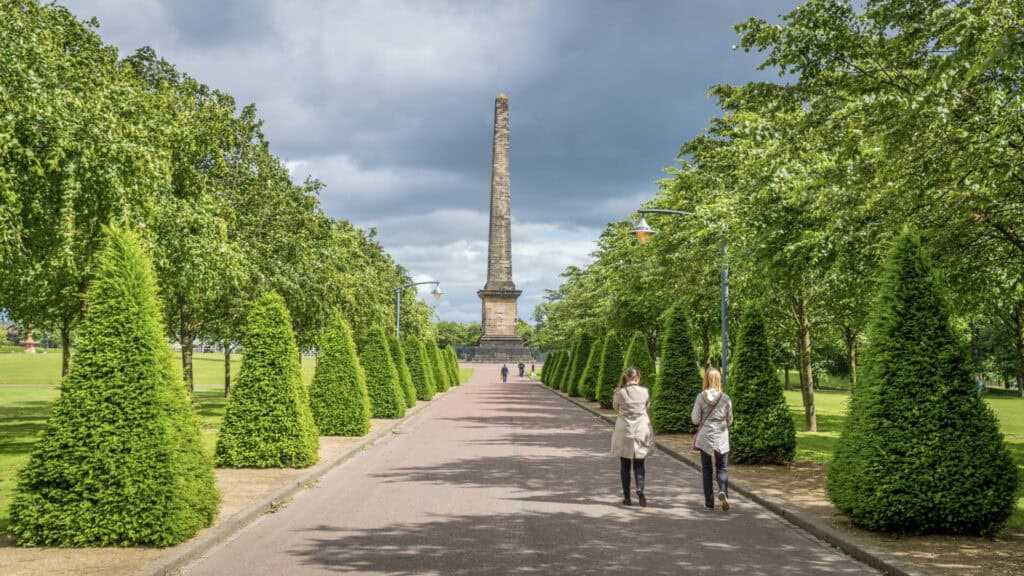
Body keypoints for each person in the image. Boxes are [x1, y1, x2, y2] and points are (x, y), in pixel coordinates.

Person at [691, 367, 733, 511]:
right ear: (719, 380)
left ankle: (709, 503)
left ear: (706, 379)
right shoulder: (725, 398)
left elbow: (695, 419)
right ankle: (723, 491)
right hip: (721, 435)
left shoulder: (700, 397)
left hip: (705, 437)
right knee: (722, 468)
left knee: (707, 470)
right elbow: (730, 420)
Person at [610, 366, 653, 506]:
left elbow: (616, 408)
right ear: (637, 378)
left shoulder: (619, 392)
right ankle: (640, 487)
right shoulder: (645, 392)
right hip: (641, 429)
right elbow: (646, 408)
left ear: (626, 377)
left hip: (625, 429)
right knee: (639, 463)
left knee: (625, 465)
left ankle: (627, 498)